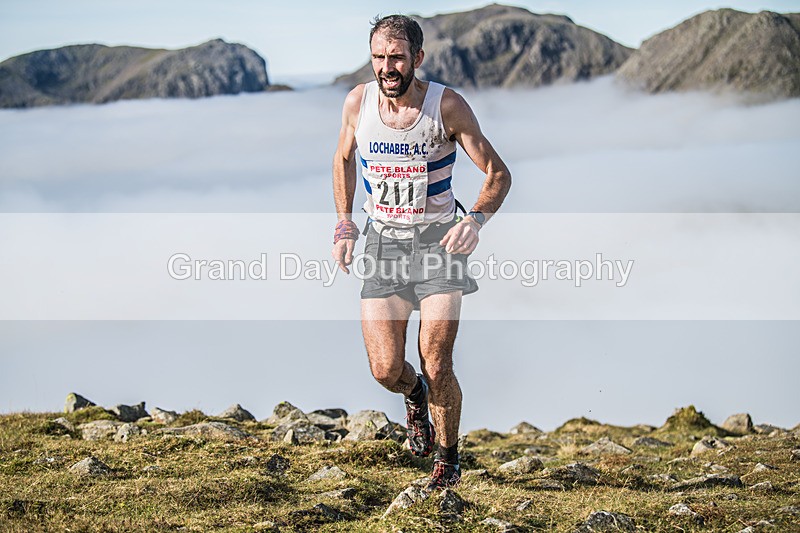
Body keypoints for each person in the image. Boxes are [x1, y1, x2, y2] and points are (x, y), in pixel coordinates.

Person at [331, 14, 511, 491]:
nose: (387, 68)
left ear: (417, 58)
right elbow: (344, 158)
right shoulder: (358, 103)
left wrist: (474, 220)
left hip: (438, 244)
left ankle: (447, 464)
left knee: (436, 360)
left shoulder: (446, 106)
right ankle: (414, 396)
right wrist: (345, 222)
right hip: (383, 242)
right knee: (386, 369)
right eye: (378, 58)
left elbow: (498, 173)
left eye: (396, 58)